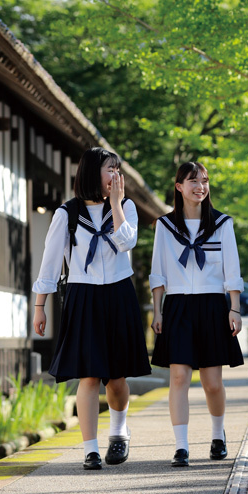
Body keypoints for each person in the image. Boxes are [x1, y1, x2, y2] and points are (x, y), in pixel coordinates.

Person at [33, 147, 151, 470]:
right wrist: (40, 306)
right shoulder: (66, 214)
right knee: (88, 377)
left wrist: (115, 205)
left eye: (117, 169)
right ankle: (90, 450)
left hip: (119, 295)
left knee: (116, 377)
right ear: (91, 173)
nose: (115, 175)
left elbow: (128, 242)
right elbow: (50, 262)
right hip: (83, 296)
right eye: (109, 169)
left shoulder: (126, 207)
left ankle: (118, 433)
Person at [150, 161, 244, 467]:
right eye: (192, 181)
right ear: (179, 187)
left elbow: (232, 270)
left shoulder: (222, 224)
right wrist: (158, 311)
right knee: (178, 377)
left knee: (212, 382)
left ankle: (218, 435)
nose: (199, 186)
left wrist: (234, 308)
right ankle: (181, 446)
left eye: (204, 180)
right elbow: (158, 272)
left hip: (213, 306)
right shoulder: (165, 226)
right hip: (178, 306)